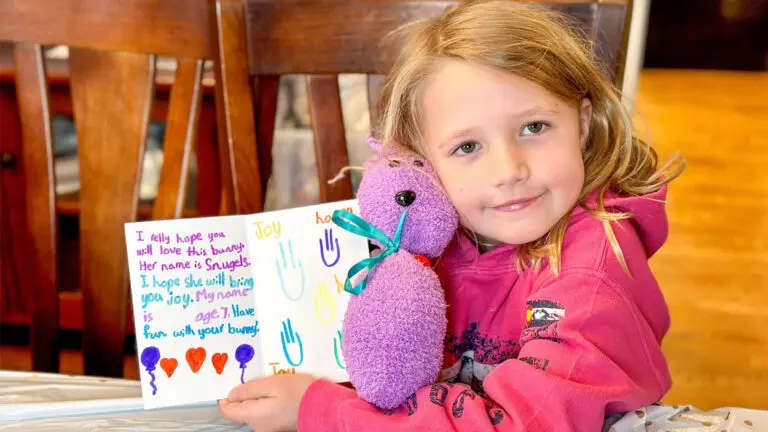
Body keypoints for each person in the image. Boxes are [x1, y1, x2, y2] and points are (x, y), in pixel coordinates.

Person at [218, 1, 685, 430]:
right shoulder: (427, 240)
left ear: (582, 124)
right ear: (418, 161)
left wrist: (322, 411)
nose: (508, 171)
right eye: (467, 146)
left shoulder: (591, 269)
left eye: (534, 127)